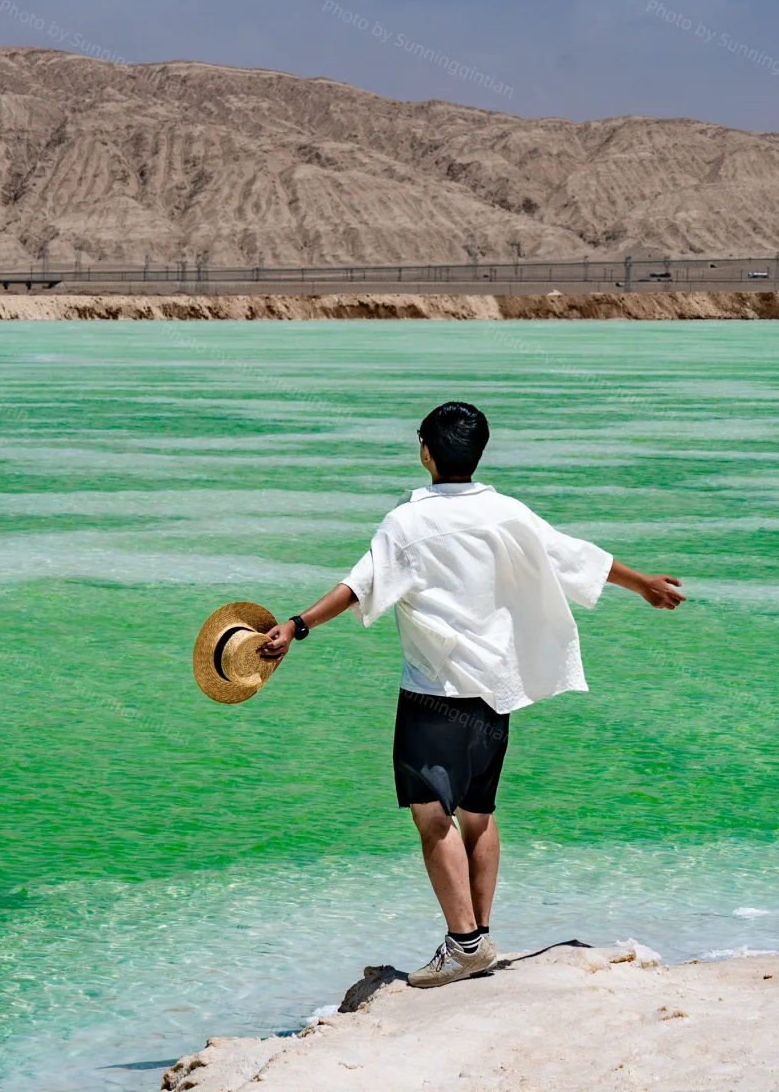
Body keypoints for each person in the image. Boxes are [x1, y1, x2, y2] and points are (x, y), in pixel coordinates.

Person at [259, 401, 684, 988]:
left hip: (434, 694)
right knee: (478, 816)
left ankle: (463, 945)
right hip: (494, 691)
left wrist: (297, 626)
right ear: (477, 453)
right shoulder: (506, 512)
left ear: (426, 453)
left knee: (432, 818)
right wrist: (644, 585)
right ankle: (479, 937)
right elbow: (574, 555)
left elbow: (360, 585)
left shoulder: (407, 523)